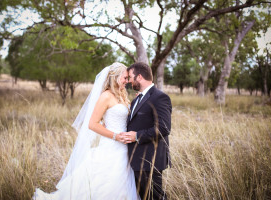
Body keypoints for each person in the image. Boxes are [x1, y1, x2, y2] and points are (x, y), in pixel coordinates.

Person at [32, 62, 139, 200]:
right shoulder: (106, 96)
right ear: (115, 77)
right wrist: (115, 136)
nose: (127, 81)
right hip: (111, 145)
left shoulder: (122, 94)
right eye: (125, 78)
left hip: (125, 147)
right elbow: (92, 124)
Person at [121, 62, 172, 200]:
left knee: (155, 197)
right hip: (136, 160)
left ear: (139, 77)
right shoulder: (137, 99)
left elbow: (164, 128)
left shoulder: (160, 97)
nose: (129, 81)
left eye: (130, 77)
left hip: (150, 160)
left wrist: (137, 136)